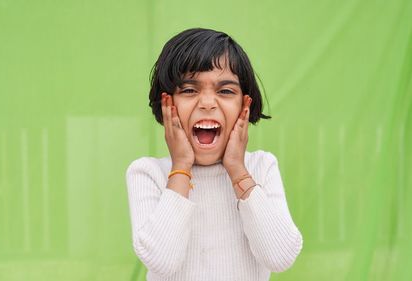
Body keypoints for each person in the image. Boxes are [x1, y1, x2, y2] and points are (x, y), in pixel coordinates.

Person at [125, 27, 303, 281]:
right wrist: (181, 167)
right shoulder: (147, 173)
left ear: (245, 104)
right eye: (189, 90)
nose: (207, 103)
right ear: (167, 105)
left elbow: (281, 257)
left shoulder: (261, 167)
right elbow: (161, 262)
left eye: (225, 91)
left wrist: (238, 171)